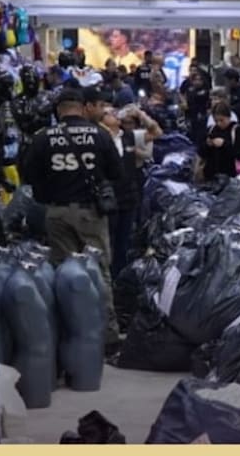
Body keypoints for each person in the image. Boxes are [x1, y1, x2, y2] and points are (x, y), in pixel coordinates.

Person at [20, 88, 125, 348]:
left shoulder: (43, 137)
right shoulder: (99, 134)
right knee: (99, 272)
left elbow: (29, 175)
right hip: (91, 213)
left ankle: (69, 332)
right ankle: (108, 335)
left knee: (64, 273)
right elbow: (117, 171)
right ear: (81, 107)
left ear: (58, 110)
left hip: (57, 212)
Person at [100, 105, 163, 275]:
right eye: (108, 113)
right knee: (108, 241)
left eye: (114, 111)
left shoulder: (129, 136)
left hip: (128, 196)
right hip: (108, 199)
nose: (114, 113)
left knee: (124, 241)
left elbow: (157, 132)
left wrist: (140, 114)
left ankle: (119, 278)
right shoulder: (100, 138)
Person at [199, 102, 240, 181]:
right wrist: (207, 144)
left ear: (228, 117)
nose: (219, 123)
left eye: (222, 120)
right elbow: (201, 152)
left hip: (230, 176)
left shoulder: (237, 131)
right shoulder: (211, 130)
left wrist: (224, 144)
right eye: (216, 120)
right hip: (211, 176)